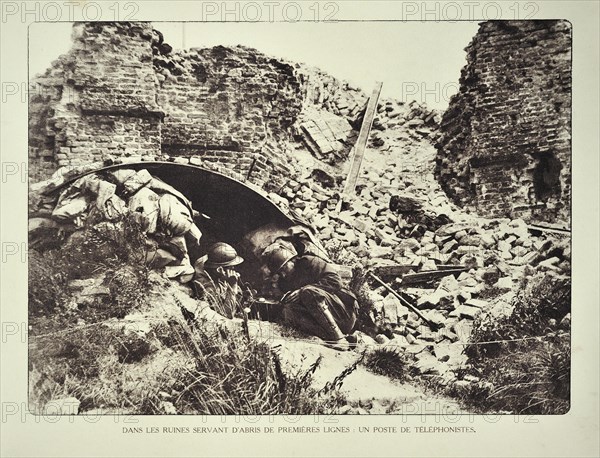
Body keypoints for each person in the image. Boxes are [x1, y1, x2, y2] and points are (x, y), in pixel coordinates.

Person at [265, 246, 358, 351]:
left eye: (284, 268)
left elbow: (335, 282)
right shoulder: (284, 281)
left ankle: (339, 339)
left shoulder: (310, 263)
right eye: (279, 272)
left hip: (344, 314)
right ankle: (339, 338)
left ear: (292, 261)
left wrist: (301, 291)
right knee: (288, 309)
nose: (283, 274)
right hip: (324, 321)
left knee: (308, 291)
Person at [192, 242, 244, 318]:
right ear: (219, 270)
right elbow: (227, 314)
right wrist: (233, 285)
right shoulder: (208, 288)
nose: (233, 269)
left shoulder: (213, 267)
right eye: (230, 267)